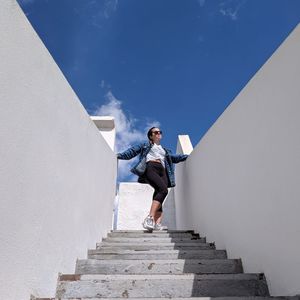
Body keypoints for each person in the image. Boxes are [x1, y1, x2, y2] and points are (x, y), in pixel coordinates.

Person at [116, 126, 189, 231]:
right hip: (151, 167)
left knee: (160, 192)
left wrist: (186, 156)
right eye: (156, 132)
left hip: (163, 171)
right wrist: (119, 155)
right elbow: (132, 151)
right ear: (151, 136)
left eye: (160, 132)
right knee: (163, 190)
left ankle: (157, 224)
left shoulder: (165, 150)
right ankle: (149, 218)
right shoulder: (145, 145)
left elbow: (174, 158)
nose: (158, 133)